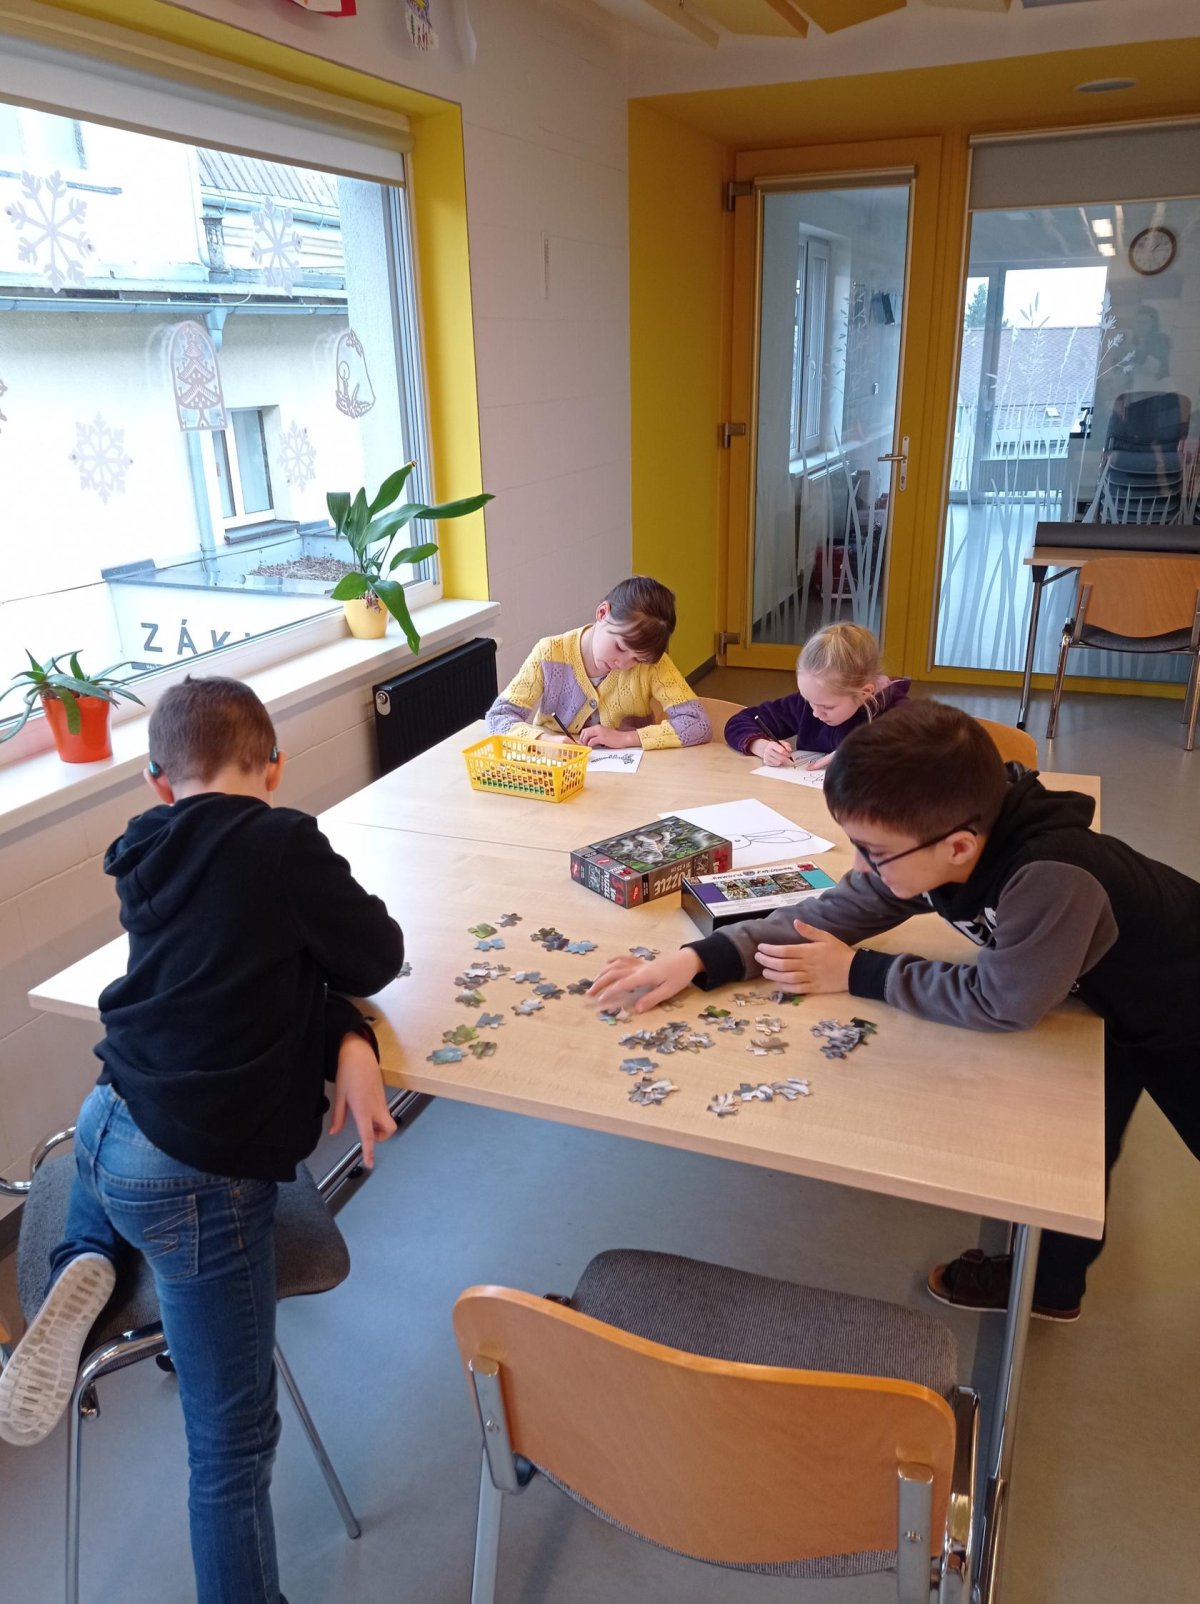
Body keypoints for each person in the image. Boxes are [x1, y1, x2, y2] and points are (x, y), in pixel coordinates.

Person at [589, 700, 1200, 1324]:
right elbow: (826, 916)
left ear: (958, 848)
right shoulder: (933, 834)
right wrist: (700, 958)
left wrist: (858, 973)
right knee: (1081, 1153)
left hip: (1181, 1003)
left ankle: (1048, 1281)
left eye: (872, 851)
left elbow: (1003, 1001)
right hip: (1102, 999)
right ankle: (1049, 1286)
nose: (859, 866)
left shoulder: (1053, 877)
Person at [0, 676, 405, 1604]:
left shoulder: (144, 848)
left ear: (157, 782)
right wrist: (352, 1025)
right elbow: (374, 955)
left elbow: (259, 974)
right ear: (275, 767)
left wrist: (341, 1031)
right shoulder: (282, 841)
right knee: (231, 1444)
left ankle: (82, 1257)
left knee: (118, 1181)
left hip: (101, 1126)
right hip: (194, 1180)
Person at [484, 575, 711, 750]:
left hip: (630, 781)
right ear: (602, 613)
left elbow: (698, 723)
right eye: (620, 647)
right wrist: (546, 741)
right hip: (557, 775)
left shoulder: (652, 664)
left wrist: (626, 738)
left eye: (637, 658)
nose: (624, 664)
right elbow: (499, 716)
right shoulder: (550, 653)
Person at [723, 622, 909, 771]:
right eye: (810, 701)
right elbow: (740, 721)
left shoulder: (897, 711)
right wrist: (761, 746)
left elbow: (921, 749)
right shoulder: (807, 704)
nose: (815, 713)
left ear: (864, 693)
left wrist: (859, 752)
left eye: (828, 707)